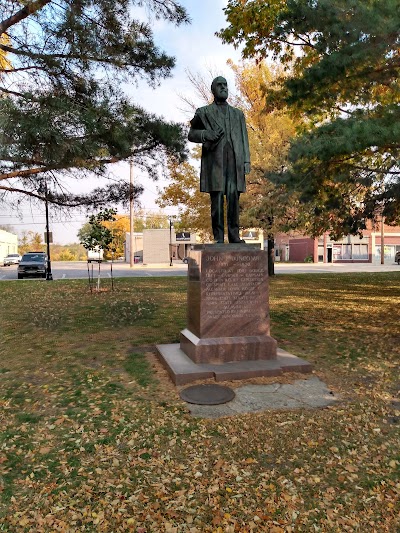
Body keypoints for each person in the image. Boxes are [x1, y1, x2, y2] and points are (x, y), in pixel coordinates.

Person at [188, 76, 251, 243]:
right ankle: (218, 237)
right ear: (213, 90)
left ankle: (234, 235)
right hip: (215, 162)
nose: (223, 87)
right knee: (216, 199)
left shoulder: (238, 114)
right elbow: (191, 134)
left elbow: (244, 139)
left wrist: (246, 161)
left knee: (233, 199)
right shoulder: (204, 112)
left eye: (225, 85)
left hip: (235, 162)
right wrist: (206, 134)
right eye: (219, 85)